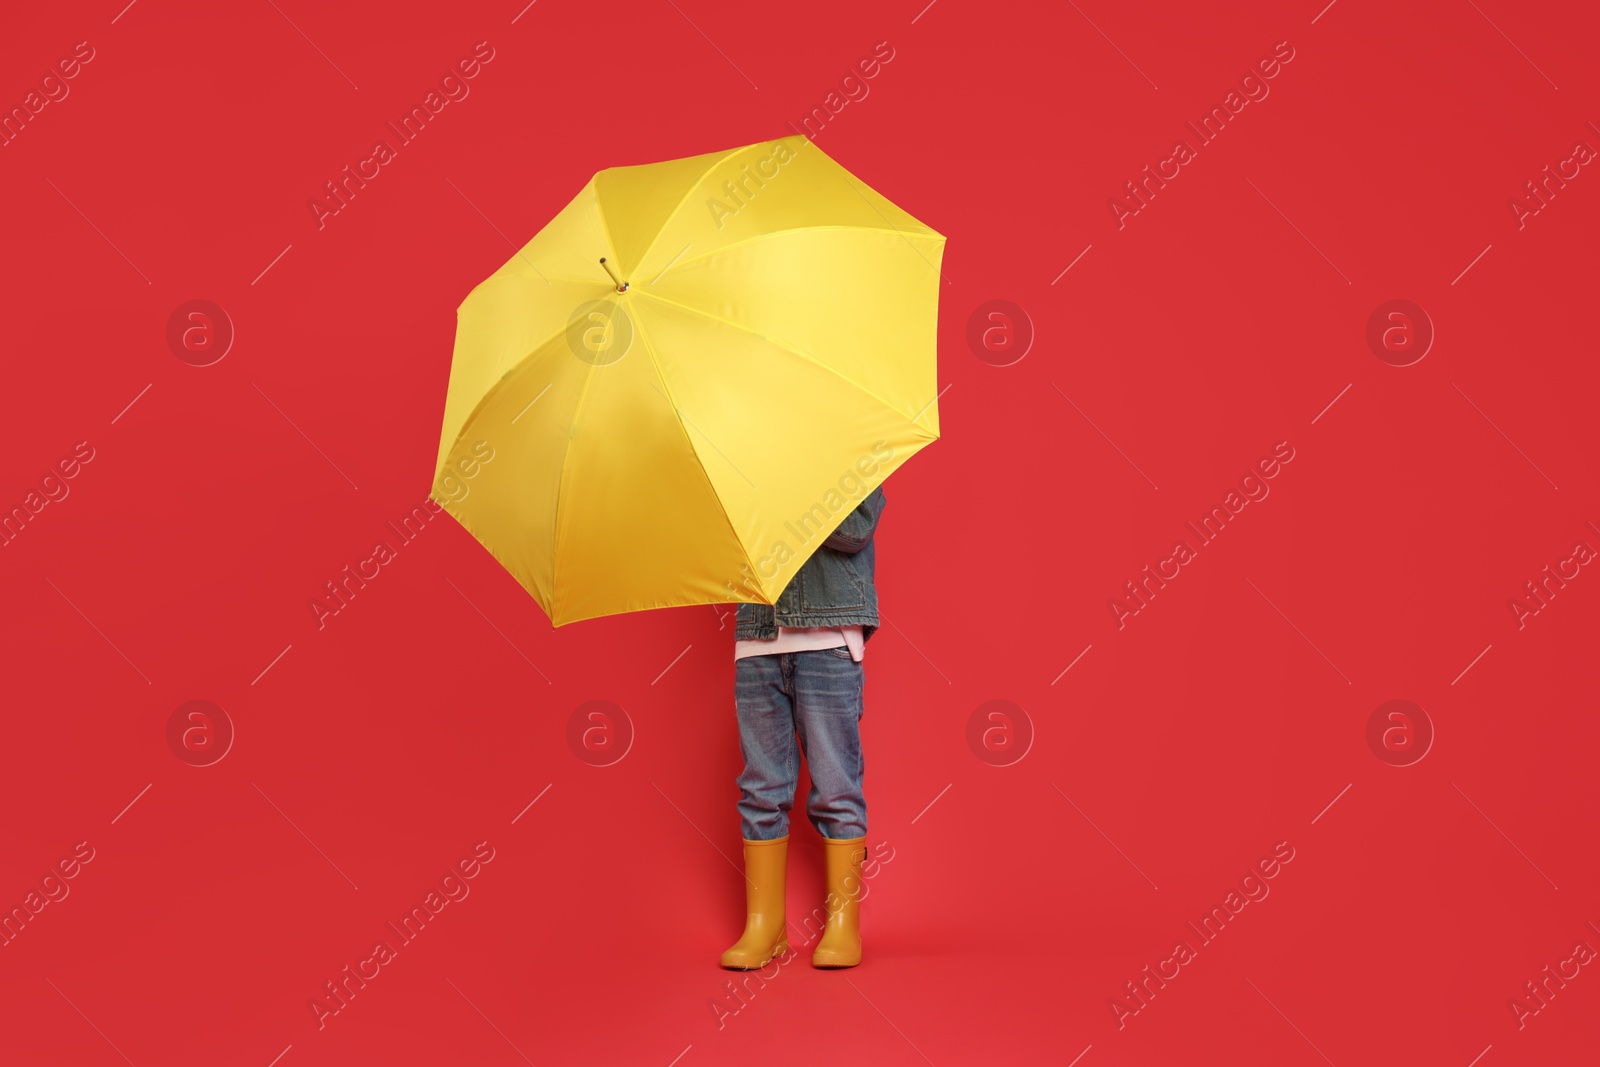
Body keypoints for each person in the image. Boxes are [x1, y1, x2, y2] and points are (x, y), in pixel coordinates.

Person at [720, 485, 886, 971]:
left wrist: (780, 494)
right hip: (757, 637)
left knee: (836, 787)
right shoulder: (745, 463)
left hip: (828, 638)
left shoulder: (858, 456)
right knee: (760, 788)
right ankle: (764, 926)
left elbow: (854, 530)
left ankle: (842, 927)